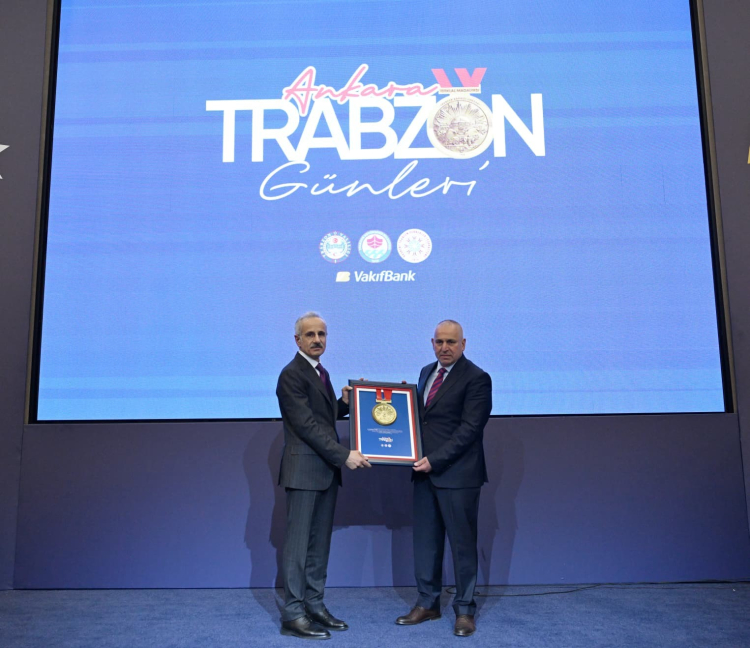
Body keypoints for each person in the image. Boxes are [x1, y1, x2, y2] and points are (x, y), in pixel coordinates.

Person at [276, 311, 371, 639]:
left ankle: (314, 605)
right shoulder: (291, 374)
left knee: (319, 546)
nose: (317, 340)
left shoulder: (321, 372)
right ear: (298, 340)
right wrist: (344, 455)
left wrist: (342, 404)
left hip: (325, 473)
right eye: (311, 334)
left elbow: (322, 417)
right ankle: (293, 613)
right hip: (304, 472)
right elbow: (306, 426)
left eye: (322, 334)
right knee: (298, 547)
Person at [395, 320, 492, 637]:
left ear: (464, 344)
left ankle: (465, 610)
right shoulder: (426, 372)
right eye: (439, 342)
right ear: (432, 343)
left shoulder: (477, 378)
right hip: (424, 475)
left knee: (463, 546)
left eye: (451, 342)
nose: (445, 347)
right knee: (426, 544)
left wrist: (434, 461)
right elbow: (421, 420)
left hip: (458, 475)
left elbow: (469, 430)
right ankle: (428, 603)